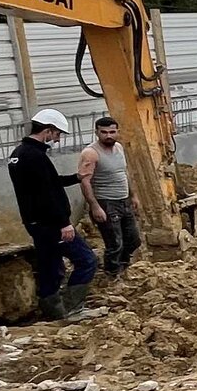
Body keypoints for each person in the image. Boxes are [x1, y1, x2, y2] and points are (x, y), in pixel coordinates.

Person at [8, 109, 97, 322]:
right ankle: (73, 308)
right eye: (57, 134)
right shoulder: (35, 156)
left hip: (36, 222)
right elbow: (46, 194)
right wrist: (64, 223)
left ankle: (54, 313)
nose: (57, 140)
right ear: (47, 131)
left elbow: (48, 182)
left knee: (51, 266)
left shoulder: (19, 154)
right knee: (87, 260)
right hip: (51, 224)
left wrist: (76, 177)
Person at [79, 115, 142, 279]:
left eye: (112, 132)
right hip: (106, 202)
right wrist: (95, 207)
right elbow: (85, 182)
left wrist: (133, 195)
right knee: (114, 243)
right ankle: (112, 274)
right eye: (104, 132)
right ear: (96, 133)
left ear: (117, 132)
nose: (108, 136)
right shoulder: (91, 153)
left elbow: (124, 173)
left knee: (133, 240)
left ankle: (123, 267)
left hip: (124, 200)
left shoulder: (119, 148)